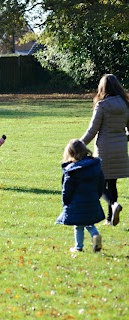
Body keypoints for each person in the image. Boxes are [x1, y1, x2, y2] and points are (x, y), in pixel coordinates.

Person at [81, 74, 129, 226]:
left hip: (104, 149)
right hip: (120, 149)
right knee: (112, 183)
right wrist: (122, 137)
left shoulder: (102, 105)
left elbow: (92, 130)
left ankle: (113, 206)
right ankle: (110, 218)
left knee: (98, 183)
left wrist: (78, 145)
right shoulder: (125, 104)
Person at [55, 139, 105, 253]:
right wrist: (97, 196)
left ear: (70, 153)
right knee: (87, 222)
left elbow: (66, 189)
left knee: (78, 225)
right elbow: (101, 183)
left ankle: (78, 247)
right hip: (92, 199)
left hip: (76, 203)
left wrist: (65, 202)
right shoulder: (95, 165)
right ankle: (95, 235)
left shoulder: (71, 171)